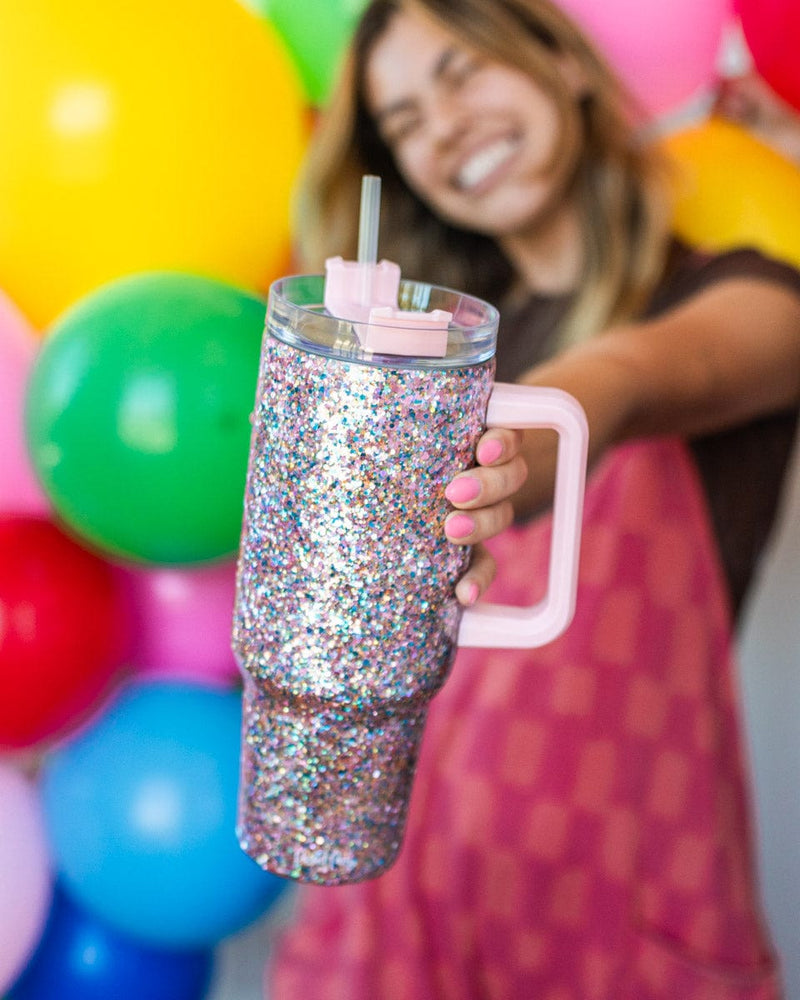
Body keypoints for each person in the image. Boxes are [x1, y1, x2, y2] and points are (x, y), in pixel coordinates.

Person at [268, 1, 800, 996]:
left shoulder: (747, 299)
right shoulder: (421, 354)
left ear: (565, 64)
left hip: (612, 939)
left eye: (462, 72)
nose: (444, 128)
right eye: (406, 121)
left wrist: (495, 451)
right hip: (386, 931)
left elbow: (632, 378)